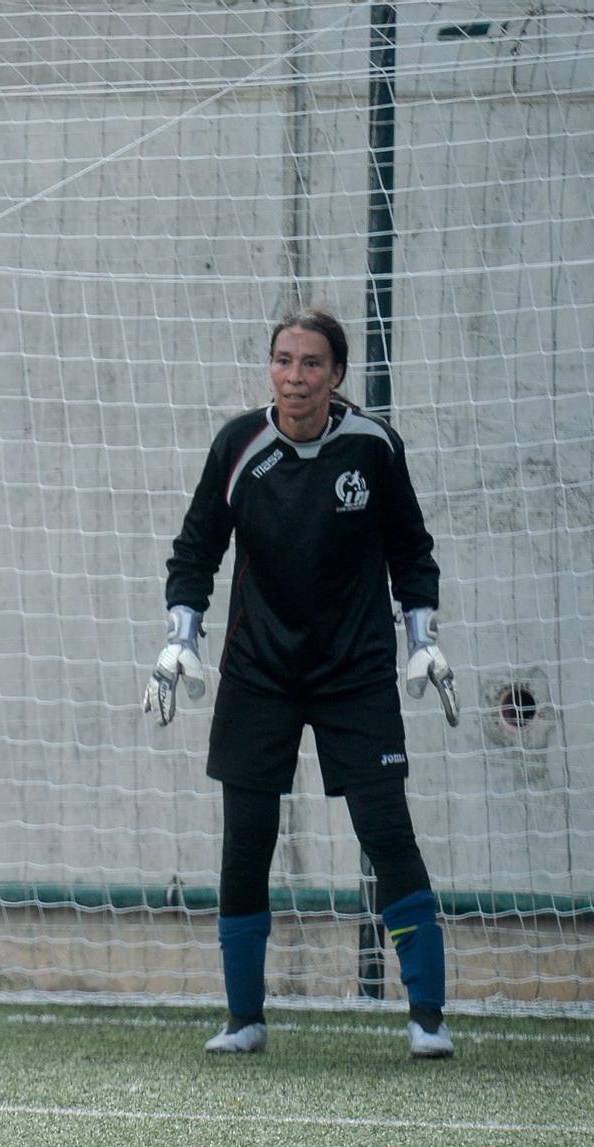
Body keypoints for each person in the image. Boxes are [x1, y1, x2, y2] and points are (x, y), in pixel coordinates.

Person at [145, 307, 460, 1059]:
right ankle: (244, 1018)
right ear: (270, 369)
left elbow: (413, 552)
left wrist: (423, 639)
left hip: (355, 673)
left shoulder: (375, 449)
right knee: (246, 842)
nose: (295, 376)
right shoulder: (237, 445)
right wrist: (180, 638)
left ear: (337, 375)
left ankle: (428, 1018)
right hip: (260, 672)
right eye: (283, 360)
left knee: (387, 833)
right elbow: (196, 551)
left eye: (311, 363)